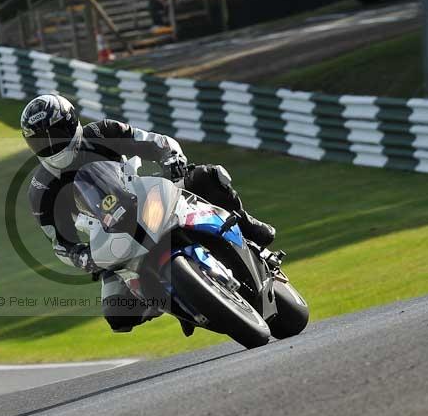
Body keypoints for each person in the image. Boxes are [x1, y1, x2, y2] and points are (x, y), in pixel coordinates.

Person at [21, 94, 275, 335]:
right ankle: (180, 304)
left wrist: (172, 159)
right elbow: (59, 242)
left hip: (145, 195)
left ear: (72, 123)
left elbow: (157, 142)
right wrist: (81, 256)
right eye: (40, 141)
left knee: (207, 177)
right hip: (110, 235)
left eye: (55, 135)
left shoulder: (102, 131)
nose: (51, 146)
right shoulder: (41, 189)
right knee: (118, 315)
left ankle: (246, 224)